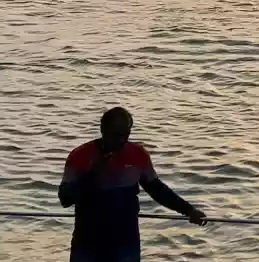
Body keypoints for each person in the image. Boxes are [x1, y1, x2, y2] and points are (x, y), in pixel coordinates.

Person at [60, 107, 207, 262]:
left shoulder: (138, 155)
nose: (122, 140)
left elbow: (157, 189)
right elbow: (65, 199)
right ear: (103, 130)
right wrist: (93, 175)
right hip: (87, 243)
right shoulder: (80, 156)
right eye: (116, 135)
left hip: (125, 242)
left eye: (126, 134)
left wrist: (189, 210)